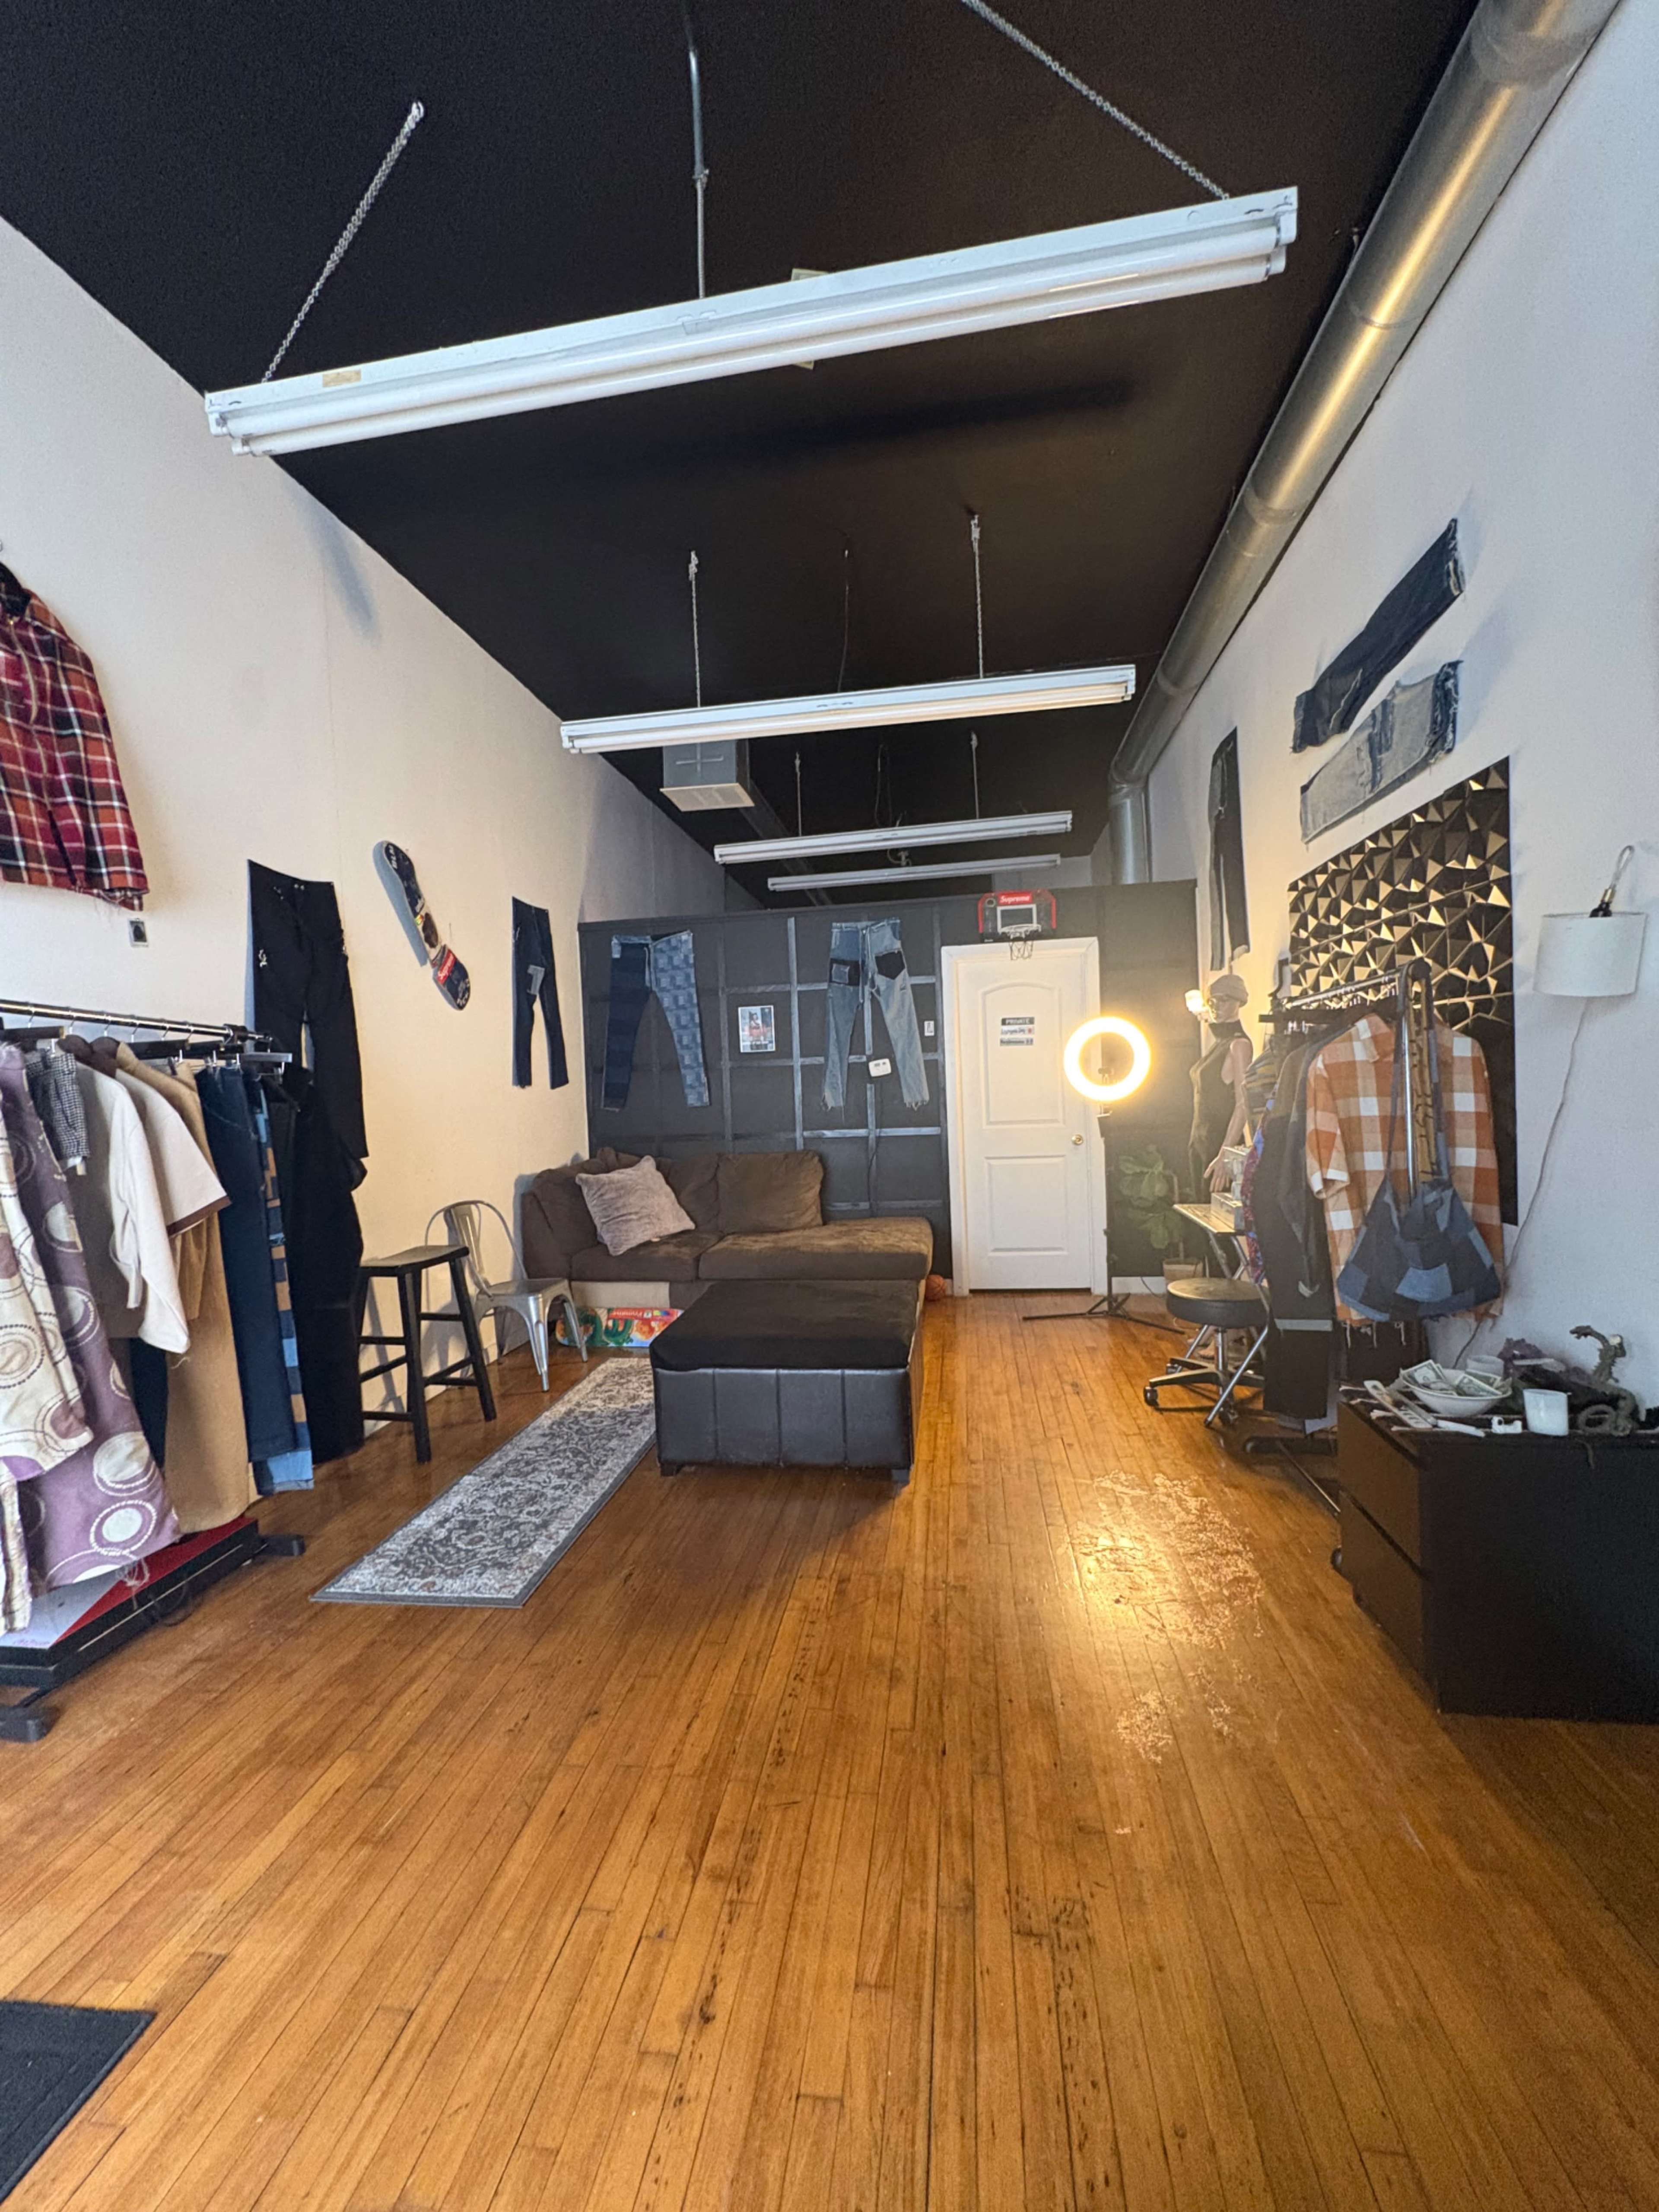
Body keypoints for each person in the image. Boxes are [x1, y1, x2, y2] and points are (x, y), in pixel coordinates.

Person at [1189, 972, 1253, 1197]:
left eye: (1224, 1000)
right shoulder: (1219, 1044)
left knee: (1219, 1220)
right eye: (1212, 1001)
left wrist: (1226, 1153)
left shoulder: (1239, 1045)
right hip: (1201, 1141)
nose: (1216, 1006)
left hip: (1220, 1143)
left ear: (1239, 1002)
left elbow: (1244, 1103)